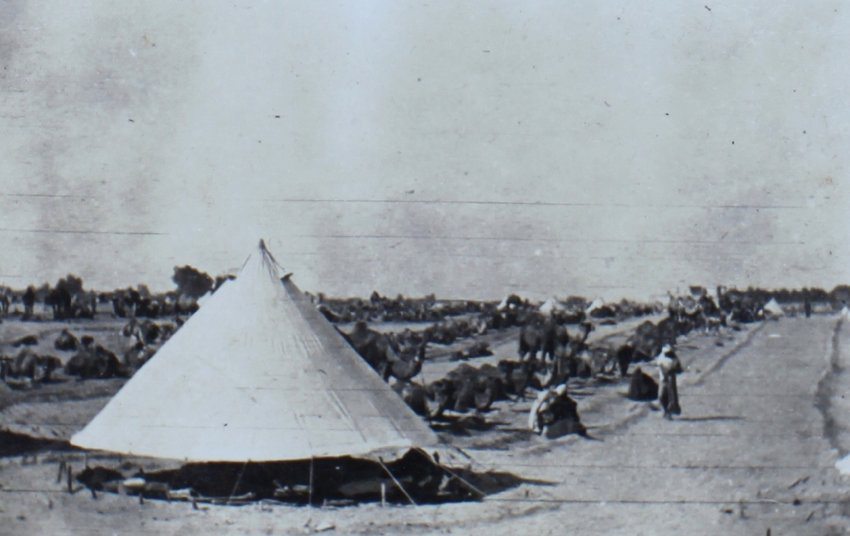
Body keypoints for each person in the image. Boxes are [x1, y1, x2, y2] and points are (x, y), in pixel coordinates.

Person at [651, 344, 683, 419]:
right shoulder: (661, 357)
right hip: (663, 379)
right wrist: (667, 373)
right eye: (667, 353)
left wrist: (674, 370)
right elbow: (661, 367)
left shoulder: (674, 357)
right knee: (662, 395)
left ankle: (670, 411)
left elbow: (679, 369)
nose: (669, 354)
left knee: (671, 396)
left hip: (671, 379)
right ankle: (666, 410)